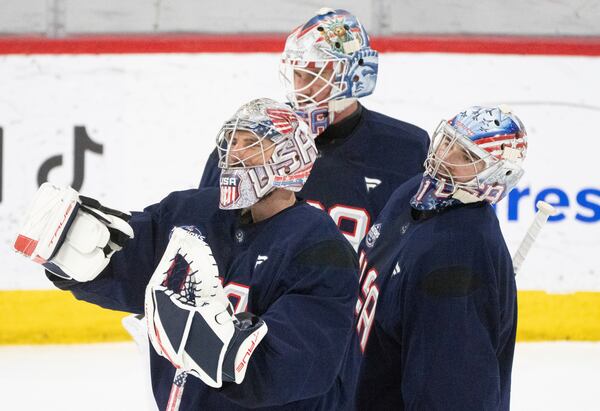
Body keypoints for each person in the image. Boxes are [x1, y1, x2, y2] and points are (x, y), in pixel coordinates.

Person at [15, 98, 360, 410]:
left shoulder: (320, 248)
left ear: (290, 160)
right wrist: (81, 254)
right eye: (232, 143)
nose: (234, 154)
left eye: (252, 145)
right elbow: (132, 259)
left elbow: (296, 362)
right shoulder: (193, 211)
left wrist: (221, 349)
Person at [199, 8, 429, 250]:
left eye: (316, 74)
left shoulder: (407, 149)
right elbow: (209, 230)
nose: (302, 89)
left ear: (356, 76)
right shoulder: (250, 138)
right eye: (298, 74)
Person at [350, 105, 527, 410]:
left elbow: (450, 393)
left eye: (467, 156)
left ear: (497, 176)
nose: (445, 155)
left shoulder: (459, 255)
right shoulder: (412, 192)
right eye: (448, 140)